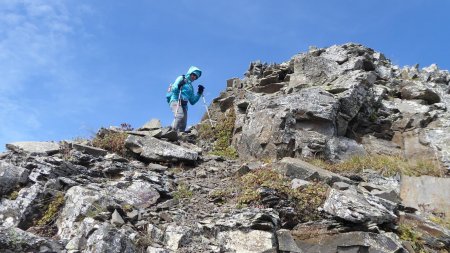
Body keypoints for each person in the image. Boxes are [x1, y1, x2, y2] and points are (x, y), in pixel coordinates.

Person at [168, 66, 205, 132]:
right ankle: (171, 132)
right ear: (190, 73)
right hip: (176, 100)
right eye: (193, 74)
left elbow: (192, 101)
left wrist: (199, 93)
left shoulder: (191, 87)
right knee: (179, 115)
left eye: (196, 77)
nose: (194, 77)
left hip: (184, 105)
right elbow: (174, 89)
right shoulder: (181, 78)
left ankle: (179, 138)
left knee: (183, 124)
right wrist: (179, 85)